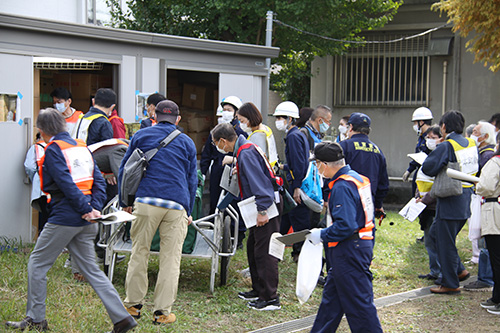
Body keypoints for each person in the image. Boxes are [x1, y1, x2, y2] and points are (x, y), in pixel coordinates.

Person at [5, 108, 137, 333]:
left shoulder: (54, 149)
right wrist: (93, 208)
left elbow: (65, 183)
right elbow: (98, 180)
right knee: (92, 270)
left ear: (42, 130)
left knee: (37, 263)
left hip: (66, 217)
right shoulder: (80, 146)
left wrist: (85, 208)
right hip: (86, 220)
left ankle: (36, 319)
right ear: (64, 125)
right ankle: (122, 318)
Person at [118, 100, 198, 325]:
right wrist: (188, 209)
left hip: (146, 201)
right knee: (171, 259)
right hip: (176, 205)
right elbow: (192, 180)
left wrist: (126, 201)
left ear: (154, 115)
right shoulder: (187, 142)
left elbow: (125, 169)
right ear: (178, 119)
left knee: (139, 252)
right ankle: (162, 313)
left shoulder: (141, 136)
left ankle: (133, 306)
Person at [307, 142, 382, 332]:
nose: (316, 168)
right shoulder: (358, 178)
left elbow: (346, 226)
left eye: (316, 164)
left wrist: (321, 234)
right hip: (357, 246)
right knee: (331, 303)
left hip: (348, 250)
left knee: (360, 307)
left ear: (324, 164)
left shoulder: (341, 187)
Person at [211, 123, 281, 311]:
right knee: (253, 247)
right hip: (259, 206)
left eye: (216, 143)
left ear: (224, 141)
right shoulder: (245, 149)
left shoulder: (246, 152)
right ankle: (258, 289)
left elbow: (260, 184)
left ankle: (270, 297)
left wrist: (262, 211)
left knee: (265, 251)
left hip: (264, 207)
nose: (218, 147)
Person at [422, 110, 478, 294]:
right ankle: (460, 270)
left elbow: (429, 167)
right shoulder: (471, 143)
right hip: (466, 196)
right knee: (440, 235)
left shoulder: (447, 145)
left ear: (444, 126)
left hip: (450, 199)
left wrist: (436, 150)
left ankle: (450, 283)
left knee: (443, 240)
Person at [200, 96, 247, 245]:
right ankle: (215, 233)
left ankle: (237, 236)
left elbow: (245, 154)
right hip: (217, 171)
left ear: (236, 112)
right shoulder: (215, 131)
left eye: (229, 110)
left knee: (234, 203)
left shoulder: (240, 132)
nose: (225, 113)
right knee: (216, 201)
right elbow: (206, 154)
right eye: (223, 110)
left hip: (234, 172)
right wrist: (202, 172)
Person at [274, 101, 311, 262]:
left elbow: (299, 165)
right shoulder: (296, 134)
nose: (278, 121)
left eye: (281, 117)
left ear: (290, 119)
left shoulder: (294, 136)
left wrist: (297, 188)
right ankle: (276, 252)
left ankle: (302, 255)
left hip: (296, 185)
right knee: (286, 220)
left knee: (299, 223)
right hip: (295, 184)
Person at [464, 121, 497, 291]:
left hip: (489, 203)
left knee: (486, 242)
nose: (471, 135)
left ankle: (485, 278)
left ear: (485, 136)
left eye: (475, 132)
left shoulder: (488, 156)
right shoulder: (485, 154)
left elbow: (485, 184)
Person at [340, 112, 389, 219]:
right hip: (368, 201)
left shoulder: (344, 146)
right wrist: (378, 204)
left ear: (351, 127)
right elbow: (383, 182)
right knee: (366, 232)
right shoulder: (377, 150)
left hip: (345, 199)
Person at [476, 132, 500, 314]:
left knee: (496, 258)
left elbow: (486, 186)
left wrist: (477, 185)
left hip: (494, 212)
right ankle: (496, 297)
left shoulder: (495, 162)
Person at [415, 125, 442, 281]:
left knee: (437, 240)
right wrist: (418, 196)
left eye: (434, 137)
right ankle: (434, 270)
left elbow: (439, 185)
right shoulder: (427, 157)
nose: (430, 141)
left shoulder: (442, 157)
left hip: (435, 205)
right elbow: (421, 180)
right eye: (428, 138)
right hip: (424, 205)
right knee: (429, 241)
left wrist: (424, 199)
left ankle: (441, 271)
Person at [236, 102, 278, 167]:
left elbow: (253, 161)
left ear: (250, 118)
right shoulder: (266, 129)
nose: (240, 125)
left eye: (242, 121)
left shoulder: (257, 136)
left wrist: (233, 160)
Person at [403, 107, 433, 196]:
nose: (414, 126)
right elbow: (418, 156)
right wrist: (410, 170)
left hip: (427, 174)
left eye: (415, 123)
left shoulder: (430, 138)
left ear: (421, 122)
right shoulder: (421, 137)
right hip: (419, 171)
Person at [23, 133, 48, 235]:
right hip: (57, 187)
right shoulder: (58, 146)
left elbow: (30, 167)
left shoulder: (36, 148)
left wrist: (34, 178)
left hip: (42, 186)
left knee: (44, 215)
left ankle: (43, 240)